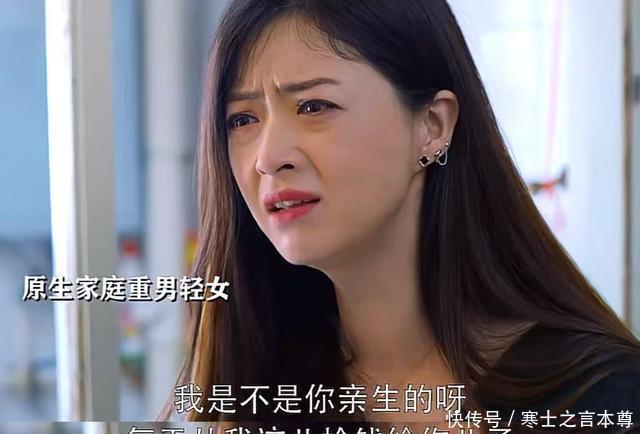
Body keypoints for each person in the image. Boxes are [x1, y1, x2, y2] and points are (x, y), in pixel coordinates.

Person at [160, 0, 640, 432]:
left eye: (313, 106)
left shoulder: (595, 398)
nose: (268, 157)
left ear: (432, 125)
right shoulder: (262, 399)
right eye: (243, 119)